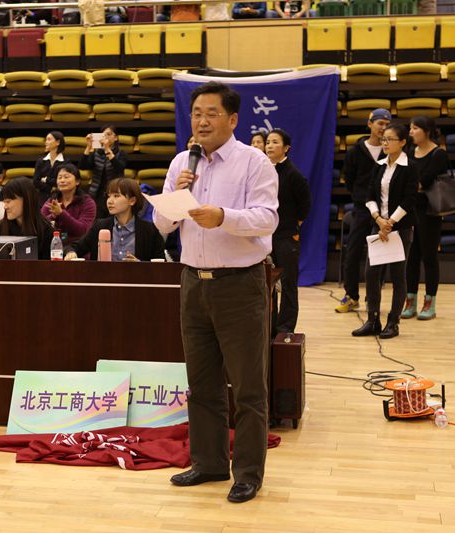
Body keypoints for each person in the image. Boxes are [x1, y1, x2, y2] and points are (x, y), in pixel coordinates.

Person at [153, 82, 278, 504]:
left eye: (211, 113)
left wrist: (223, 216)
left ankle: (248, 473)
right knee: (201, 382)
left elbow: (267, 218)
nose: (202, 121)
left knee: (248, 387)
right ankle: (208, 463)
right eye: (196, 114)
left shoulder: (254, 162)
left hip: (240, 285)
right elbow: (162, 225)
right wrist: (175, 195)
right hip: (193, 282)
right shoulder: (181, 162)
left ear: (232, 119)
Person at [352, 123, 419, 339]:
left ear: (402, 142)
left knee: (398, 275)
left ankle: (393, 322)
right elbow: (369, 196)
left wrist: (390, 222)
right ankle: (372, 320)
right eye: (384, 139)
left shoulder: (410, 167)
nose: (385, 143)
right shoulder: (379, 165)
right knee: (371, 273)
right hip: (378, 225)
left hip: (400, 227)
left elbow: (409, 199)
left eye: (390, 139)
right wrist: (378, 219)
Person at [336, 108, 391, 313]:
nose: (383, 128)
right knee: (353, 252)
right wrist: (362, 196)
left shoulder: (391, 151)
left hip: (384, 211)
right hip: (361, 209)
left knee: (379, 255)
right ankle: (351, 296)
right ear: (370, 124)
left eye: (387, 125)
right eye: (380, 123)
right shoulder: (356, 151)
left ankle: (373, 297)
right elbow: (349, 179)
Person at [402, 116, 450, 321]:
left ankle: (430, 302)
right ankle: (410, 300)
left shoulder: (439, 154)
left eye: (415, 128)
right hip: (410, 209)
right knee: (411, 257)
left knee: (429, 256)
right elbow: (407, 181)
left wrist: (412, 186)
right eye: (410, 128)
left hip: (430, 211)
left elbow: (422, 182)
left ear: (427, 131)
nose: (411, 132)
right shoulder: (408, 152)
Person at [265, 129, 311, 335]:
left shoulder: (293, 174)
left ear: (286, 148)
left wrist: (293, 226)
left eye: (275, 142)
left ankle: (285, 327)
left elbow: (305, 205)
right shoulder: (264, 172)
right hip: (267, 236)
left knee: (288, 283)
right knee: (269, 283)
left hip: (286, 236)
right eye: (268, 142)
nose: (269, 146)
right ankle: (270, 324)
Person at [65, 177, 164, 261]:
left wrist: (139, 264)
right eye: (109, 196)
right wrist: (71, 252)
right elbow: (74, 247)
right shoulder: (100, 226)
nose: (110, 201)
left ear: (132, 201)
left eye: (116, 196)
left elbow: (161, 264)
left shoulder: (149, 230)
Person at [0, 177, 54, 260]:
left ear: (26, 200)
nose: (5, 207)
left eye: (8, 201)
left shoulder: (45, 229)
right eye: (4, 202)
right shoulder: (1, 227)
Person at [41, 163, 96, 245]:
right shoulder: (52, 201)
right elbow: (40, 225)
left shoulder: (87, 202)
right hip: (54, 246)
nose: (62, 180)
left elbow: (82, 230)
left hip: (78, 247)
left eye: (66, 177)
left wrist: (61, 214)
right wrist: (53, 216)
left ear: (77, 181)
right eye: (59, 177)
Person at [80, 125, 127, 219]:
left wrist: (107, 149)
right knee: (97, 220)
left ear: (116, 138)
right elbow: (82, 166)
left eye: (109, 134)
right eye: (103, 135)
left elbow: (119, 168)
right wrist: (88, 147)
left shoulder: (121, 153)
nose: (106, 137)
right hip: (97, 192)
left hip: (115, 192)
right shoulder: (96, 153)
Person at [33, 131, 68, 202]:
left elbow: (62, 181)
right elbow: (36, 181)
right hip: (42, 199)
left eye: (49, 139)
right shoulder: (41, 161)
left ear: (58, 142)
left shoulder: (66, 162)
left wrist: (46, 179)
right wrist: (50, 188)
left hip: (60, 198)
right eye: (46, 140)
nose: (46, 142)